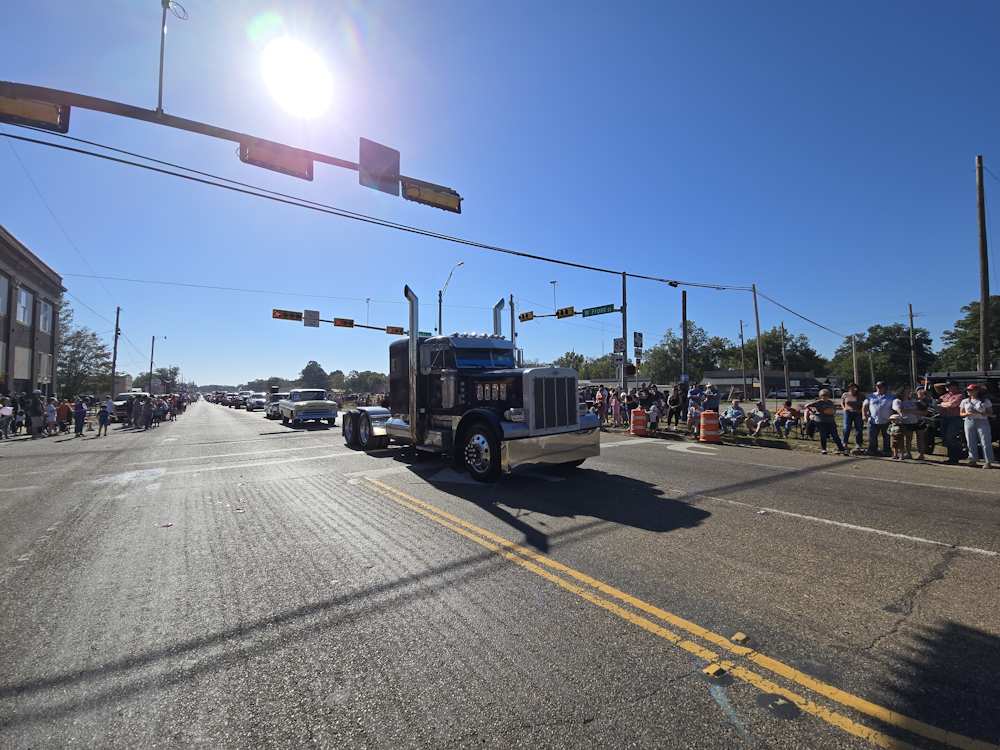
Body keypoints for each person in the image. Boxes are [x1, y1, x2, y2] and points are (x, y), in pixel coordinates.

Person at [960, 384, 994, 468]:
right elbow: (961, 413)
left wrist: (982, 413)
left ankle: (988, 461)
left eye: (971, 390)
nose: (969, 392)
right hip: (969, 421)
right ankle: (972, 459)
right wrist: (967, 413)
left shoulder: (985, 401)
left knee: (985, 441)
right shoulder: (965, 401)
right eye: (968, 390)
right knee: (970, 441)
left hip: (982, 421)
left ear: (977, 391)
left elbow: (991, 413)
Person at [805, 388, 845, 454]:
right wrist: (814, 412)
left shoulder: (830, 402)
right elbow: (807, 405)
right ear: (820, 396)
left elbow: (834, 410)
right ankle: (824, 449)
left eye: (826, 395)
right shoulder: (818, 402)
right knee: (823, 435)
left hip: (830, 421)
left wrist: (832, 413)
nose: (825, 397)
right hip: (821, 421)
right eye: (823, 395)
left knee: (835, 435)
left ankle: (841, 449)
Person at [935, 381, 965, 465]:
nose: (948, 388)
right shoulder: (945, 395)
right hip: (944, 418)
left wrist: (941, 404)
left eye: (950, 386)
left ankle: (955, 457)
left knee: (951, 437)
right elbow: (937, 403)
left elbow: (952, 404)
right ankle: (951, 457)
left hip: (954, 418)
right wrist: (943, 404)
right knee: (945, 438)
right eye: (947, 386)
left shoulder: (959, 396)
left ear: (955, 386)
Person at [891, 385, 922, 460]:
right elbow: (900, 410)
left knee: (909, 439)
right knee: (899, 439)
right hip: (902, 422)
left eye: (909, 390)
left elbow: (920, 410)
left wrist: (913, 411)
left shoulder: (912, 401)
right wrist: (912, 411)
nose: (909, 391)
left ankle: (908, 453)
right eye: (907, 390)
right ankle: (898, 453)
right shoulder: (897, 401)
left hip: (913, 422)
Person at [862, 381, 894, 457]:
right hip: (873, 420)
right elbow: (865, 406)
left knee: (886, 437)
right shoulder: (870, 396)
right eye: (877, 386)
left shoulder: (891, 397)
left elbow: (895, 406)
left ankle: (886, 451)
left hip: (886, 420)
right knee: (872, 437)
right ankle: (872, 450)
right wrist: (864, 415)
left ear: (885, 387)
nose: (879, 388)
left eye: (881, 386)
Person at [841, 383, 865, 453]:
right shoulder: (845, 394)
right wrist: (844, 408)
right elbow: (842, 402)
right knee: (846, 428)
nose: (853, 389)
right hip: (848, 412)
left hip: (857, 413)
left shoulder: (861, 395)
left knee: (859, 428)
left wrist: (862, 410)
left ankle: (858, 444)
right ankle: (844, 443)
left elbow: (866, 402)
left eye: (854, 387)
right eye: (851, 387)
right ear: (849, 388)